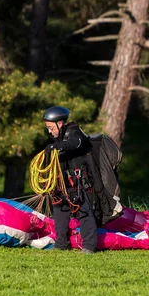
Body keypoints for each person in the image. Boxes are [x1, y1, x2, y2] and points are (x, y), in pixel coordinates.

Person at [43, 106, 97, 254]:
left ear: (60, 123)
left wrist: (56, 146)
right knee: (60, 210)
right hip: (63, 181)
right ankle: (61, 243)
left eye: (50, 127)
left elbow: (75, 143)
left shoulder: (74, 132)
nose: (49, 131)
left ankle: (89, 246)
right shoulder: (58, 137)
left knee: (84, 211)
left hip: (79, 181)